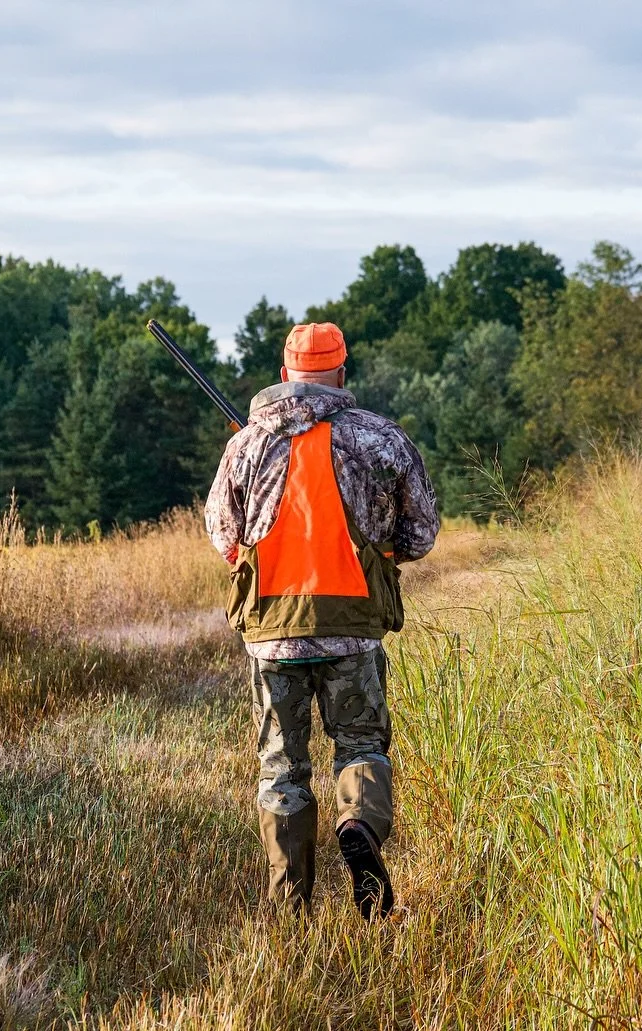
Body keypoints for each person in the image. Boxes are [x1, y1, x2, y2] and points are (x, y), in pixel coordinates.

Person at [205, 322, 440, 920]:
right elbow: (421, 535)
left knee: (282, 766)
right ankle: (358, 823)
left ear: (285, 374)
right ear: (341, 374)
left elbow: (223, 535)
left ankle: (290, 906)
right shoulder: (382, 440)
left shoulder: (247, 445)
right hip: (353, 630)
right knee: (360, 742)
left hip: (272, 638)